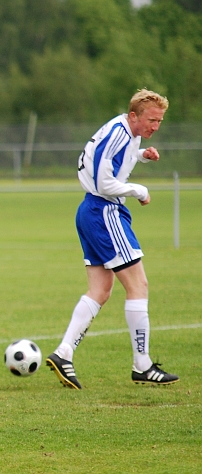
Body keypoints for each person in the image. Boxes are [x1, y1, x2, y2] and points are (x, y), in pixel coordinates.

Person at [45, 89, 179, 389]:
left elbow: (114, 161)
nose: (155, 127)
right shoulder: (119, 134)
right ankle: (142, 365)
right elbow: (105, 182)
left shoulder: (127, 132)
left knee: (100, 289)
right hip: (104, 210)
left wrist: (141, 155)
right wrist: (138, 190)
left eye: (159, 121)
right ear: (133, 116)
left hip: (90, 211)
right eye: (151, 120)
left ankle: (63, 353)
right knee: (138, 285)